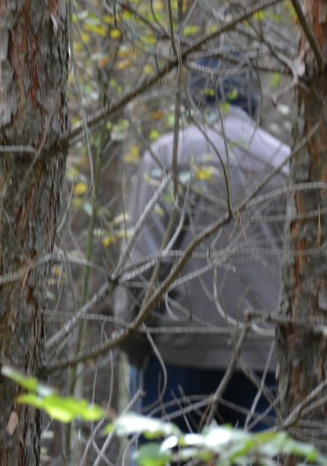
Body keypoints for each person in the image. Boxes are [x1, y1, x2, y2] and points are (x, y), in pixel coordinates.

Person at [115, 49, 290, 434]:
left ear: (196, 97)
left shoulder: (167, 155)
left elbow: (145, 266)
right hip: (265, 363)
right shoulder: (288, 163)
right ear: (252, 98)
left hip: (178, 357)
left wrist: (133, 344)